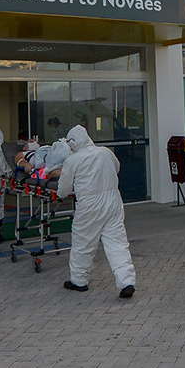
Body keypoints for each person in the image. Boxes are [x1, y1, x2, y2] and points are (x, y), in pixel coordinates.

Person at [57, 125, 136, 299]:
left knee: (83, 243)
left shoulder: (73, 160)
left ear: (73, 142)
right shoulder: (106, 152)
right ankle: (126, 281)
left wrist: (60, 195)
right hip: (113, 200)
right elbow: (116, 168)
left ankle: (78, 280)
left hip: (89, 204)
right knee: (117, 242)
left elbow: (63, 189)